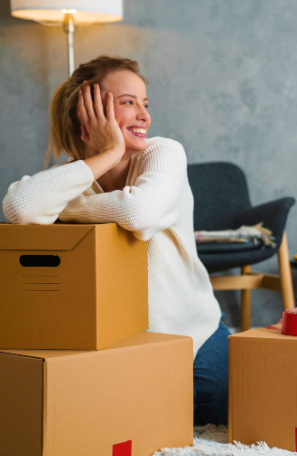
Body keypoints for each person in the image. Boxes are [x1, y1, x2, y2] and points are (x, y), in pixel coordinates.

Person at [2, 55, 229, 426]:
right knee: (129, 412)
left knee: (211, 402)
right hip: (126, 343)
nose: (144, 115)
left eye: (145, 103)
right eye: (128, 102)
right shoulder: (74, 176)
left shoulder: (164, 152)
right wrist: (108, 154)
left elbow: (140, 215)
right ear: (87, 112)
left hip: (194, 331)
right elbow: (21, 208)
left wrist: (69, 208)